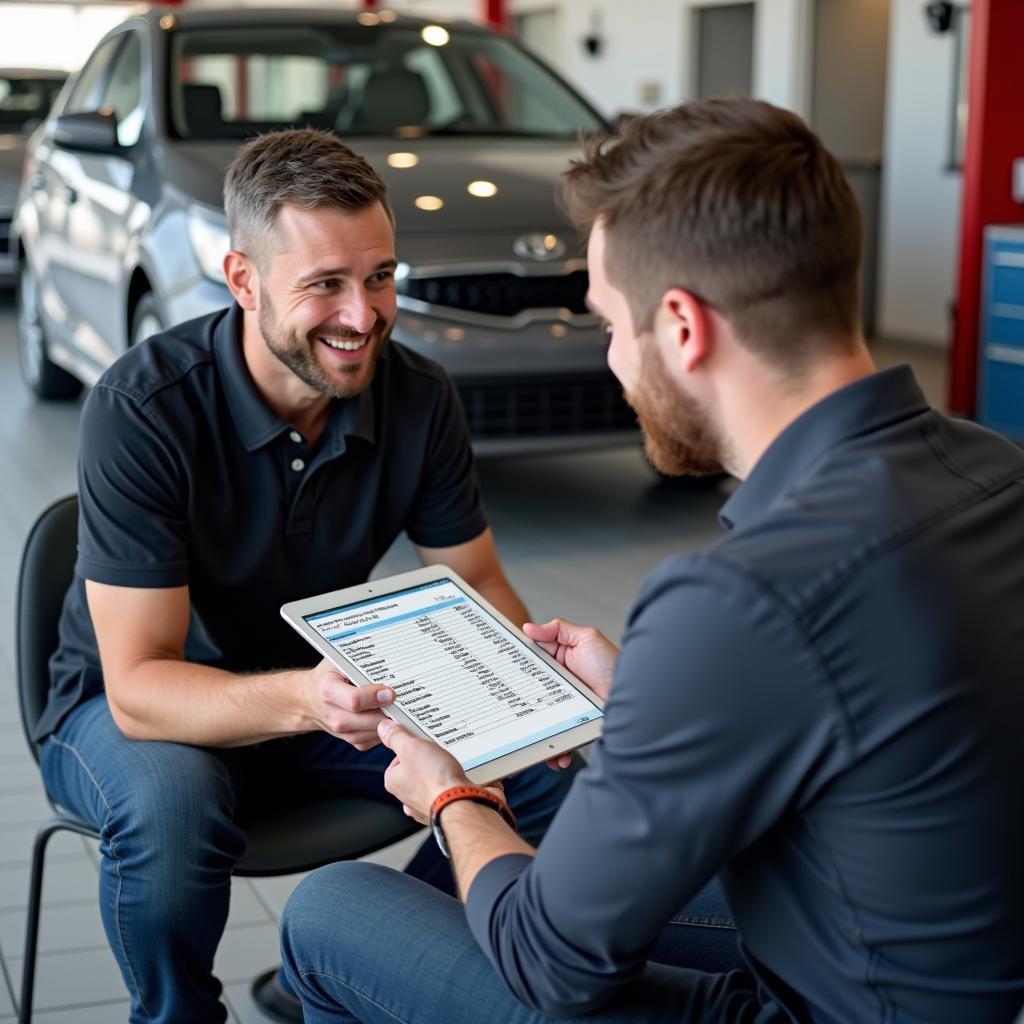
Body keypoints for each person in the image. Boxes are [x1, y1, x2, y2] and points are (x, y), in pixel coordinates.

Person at [279, 98, 1024, 1022]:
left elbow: (551, 964)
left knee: (332, 913)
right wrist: (652, 701)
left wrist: (452, 796)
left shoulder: (742, 597)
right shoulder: (997, 473)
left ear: (681, 326)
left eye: (608, 325)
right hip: (940, 965)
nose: (614, 364)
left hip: (815, 1004)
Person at [33, 128, 581, 1024]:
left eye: (380, 277)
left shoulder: (418, 393)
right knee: (175, 803)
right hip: (137, 711)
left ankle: (353, 973)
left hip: (322, 696)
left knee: (545, 775)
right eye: (324, 284)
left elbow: (477, 582)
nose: (362, 316)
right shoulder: (143, 407)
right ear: (242, 280)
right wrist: (310, 701)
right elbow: (138, 690)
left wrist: (528, 706)